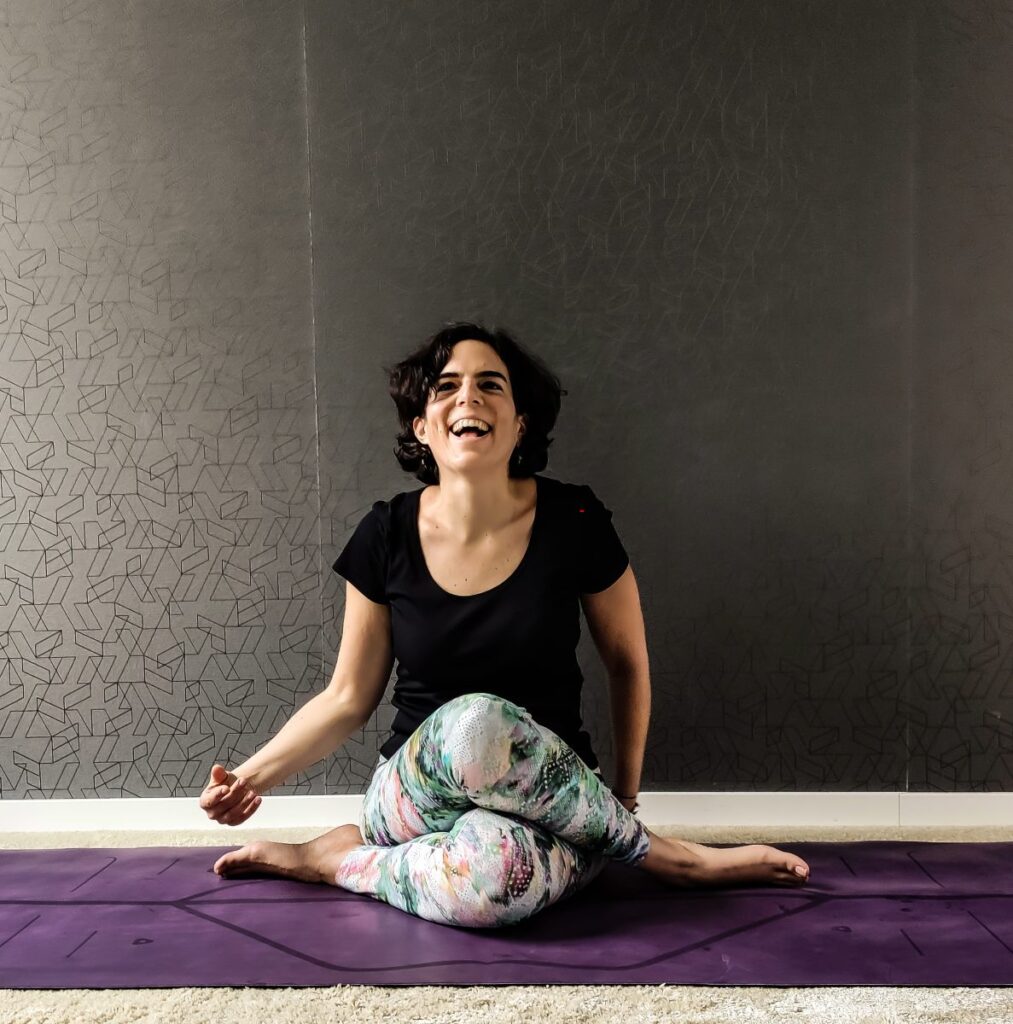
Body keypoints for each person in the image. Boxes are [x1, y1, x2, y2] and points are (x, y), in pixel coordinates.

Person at [200, 321, 810, 929]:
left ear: (520, 423)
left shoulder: (575, 519)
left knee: (498, 878)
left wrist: (619, 801)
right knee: (476, 723)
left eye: (490, 384)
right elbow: (346, 698)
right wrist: (249, 778)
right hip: (414, 798)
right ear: (421, 426)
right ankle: (668, 858)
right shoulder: (385, 534)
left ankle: (338, 861)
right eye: (446, 387)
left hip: (554, 801)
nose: (469, 397)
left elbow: (627, 664)